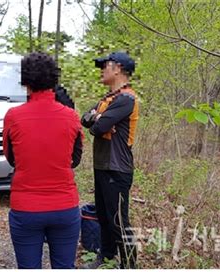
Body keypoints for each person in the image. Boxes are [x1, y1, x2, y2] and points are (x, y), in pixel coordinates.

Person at [2, 52, 84, 269]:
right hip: (65, 206)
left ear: (25, 82)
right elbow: (75, 158)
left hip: (26, 208)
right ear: (54, 79)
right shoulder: (71, 116)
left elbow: (11, 158)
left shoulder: (13, 116)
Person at [81, 51, 139, 269]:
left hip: (118, 168)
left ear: (118, 69)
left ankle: (129, 264)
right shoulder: (107, 99)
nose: (102, 70)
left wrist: (98, 120)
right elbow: (85, 120)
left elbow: (98, 127)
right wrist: (98, 118)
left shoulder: (127, 98)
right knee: (104, 217)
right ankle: (106, 258)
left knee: (118, 221)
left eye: (105, 66)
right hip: (102, 165)